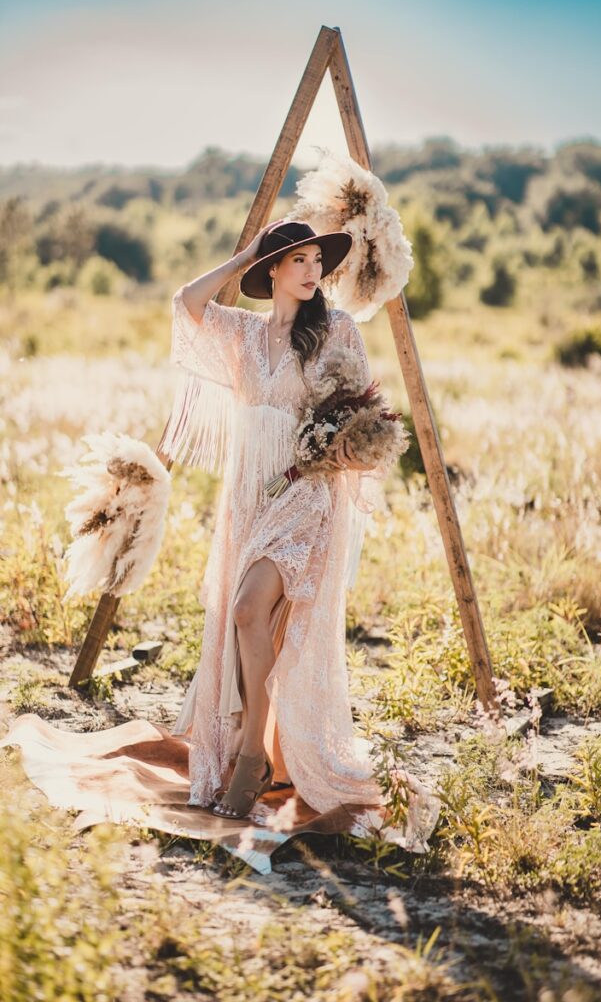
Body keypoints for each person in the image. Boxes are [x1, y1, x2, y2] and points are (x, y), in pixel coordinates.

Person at [162, 219, 439, 846]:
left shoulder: (335, 331)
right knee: (249, 624)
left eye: (318, 259)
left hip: (305, 496)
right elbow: (187, 302)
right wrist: (247, 255)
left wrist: (339, 450)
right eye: (300, 260)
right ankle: (246, 748)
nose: (314, 270)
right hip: (247, 498)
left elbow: (364, 421)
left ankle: (254, 749)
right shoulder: (245, 335)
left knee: (245, 608)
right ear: (274, 271)